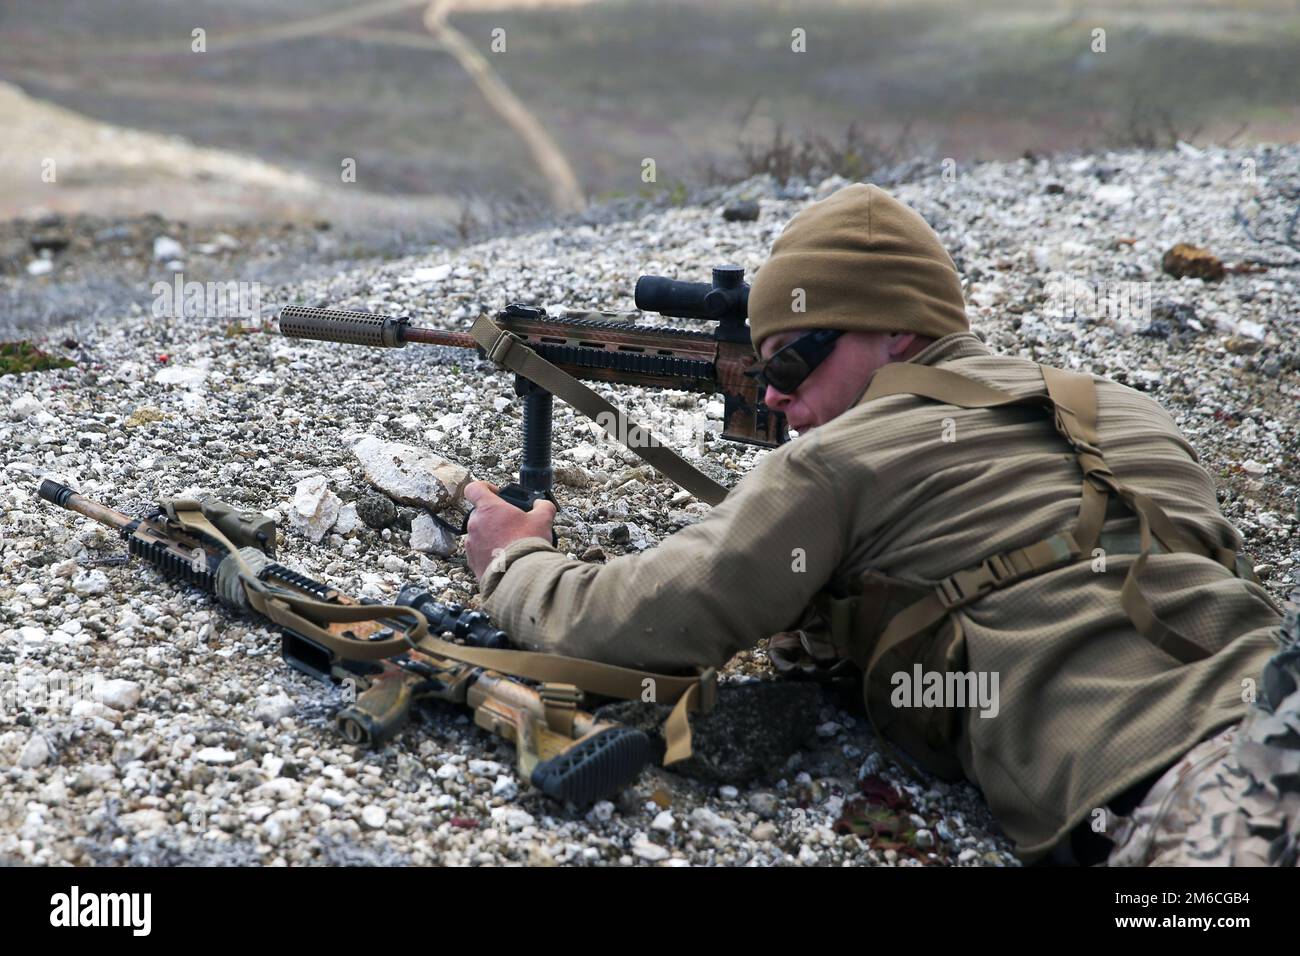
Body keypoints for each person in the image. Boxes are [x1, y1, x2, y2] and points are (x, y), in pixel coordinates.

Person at [460, 183, 1298, 866]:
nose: (777, 395)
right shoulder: (1125, 411)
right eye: (762, 369)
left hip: (1205, 793)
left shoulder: (840, 461)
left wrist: (516, 564)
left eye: (791, 359)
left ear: (899, 330)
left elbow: (635, 622)